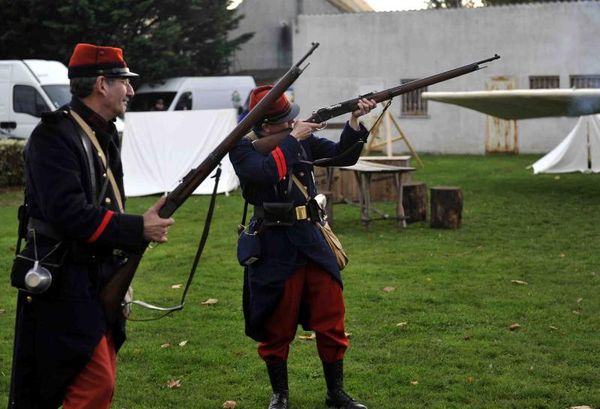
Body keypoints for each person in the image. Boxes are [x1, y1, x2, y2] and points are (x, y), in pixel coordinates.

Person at [8, 43, 174, 408]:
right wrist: (136, 229)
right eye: (123, 82)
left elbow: (105, 203)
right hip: (65, 278)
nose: (130, 90)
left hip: (97, 273)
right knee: (90, 385)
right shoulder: (54, 136)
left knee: (98, 381)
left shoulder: (102, 131)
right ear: (102, 83)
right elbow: (68, 213)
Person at [229, 85, 376, 409]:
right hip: (273, 245)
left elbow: (343, 155)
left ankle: (335, 393)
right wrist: (294, 139)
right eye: (285, 122)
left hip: (310, 238)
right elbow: (265, 173)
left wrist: (354, 120)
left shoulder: (300, 140)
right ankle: (279, 394)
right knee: (276, 326)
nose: (293, 124)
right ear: (266, 126)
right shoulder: (242, 149)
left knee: (331, 317)